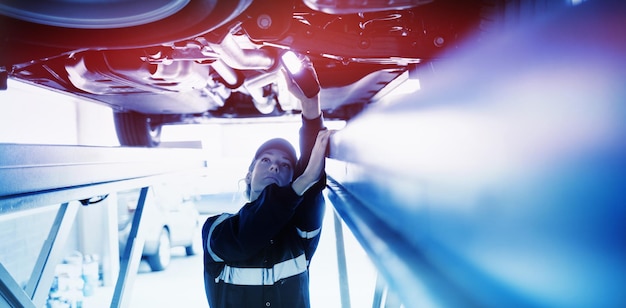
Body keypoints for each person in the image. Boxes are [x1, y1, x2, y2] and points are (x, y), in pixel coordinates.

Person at [201, 60, 332, 308]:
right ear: (249, 175)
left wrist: (310, 101)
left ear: (291, 179)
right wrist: (301, 181)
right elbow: (247, 236)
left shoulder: (300, 231)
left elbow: (310, 180)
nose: (275, 166)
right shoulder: (217, 229)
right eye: (266, 160)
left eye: (285, 165)